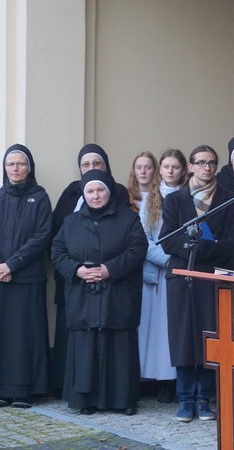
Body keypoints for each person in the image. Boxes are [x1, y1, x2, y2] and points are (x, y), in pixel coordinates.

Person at [51, 169, 147, 416]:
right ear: (84, 194)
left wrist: (108, 270)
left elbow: (137, 250)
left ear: (110, 192)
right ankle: (86, 400)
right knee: (86, 345)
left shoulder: (129, 219)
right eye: (90, 191)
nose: (96, 196)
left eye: (100, 190)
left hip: (118, 294)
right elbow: (57, 251)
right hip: (83, 293)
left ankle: (122, 400)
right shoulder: (71, 222)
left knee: (118, 345)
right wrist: (77, 270)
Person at [159, 145, 234, 423]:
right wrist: (193, 245)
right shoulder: (175, 200)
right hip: (181, 275)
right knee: (182, 339)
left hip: (210, 275)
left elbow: (232, 244)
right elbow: (167, 240)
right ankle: (184, 399)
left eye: (212, 163)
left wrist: (205, 247)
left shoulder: (228, 199)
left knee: (208, 337)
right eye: (201, 163)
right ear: (190, 166)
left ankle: (204, 398)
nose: (207, 168)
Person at [50, 144, 130, 396]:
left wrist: (106, 269)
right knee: (76, 336)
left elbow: (126, 240)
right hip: (76, 279)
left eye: (97, 164)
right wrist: (76, 269)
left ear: (106, 166)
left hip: (112, 282)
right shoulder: (70, 194)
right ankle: (71, 388)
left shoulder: (117, 193)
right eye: (86, 165)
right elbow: (57, 238)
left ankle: (111, 393)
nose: (91, 169)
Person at [0, 144, 53, 408]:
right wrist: (2, 267)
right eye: (11, 164)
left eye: (21, 164)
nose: (15, 168)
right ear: (5, 168)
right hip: (1, 277)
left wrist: (12, 264)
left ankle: (24, 391)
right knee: (4, 335)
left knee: (25, 336)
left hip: (28, 277)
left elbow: (42, 236)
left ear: (29, 167)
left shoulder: (40, 197)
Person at [129, 151, 180, 403]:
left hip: (178, 274)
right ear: (160, 170)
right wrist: (168, 259)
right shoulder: (152, 199)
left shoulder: (186, 196)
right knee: (150, 330)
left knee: (170, 331)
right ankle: (148, 380)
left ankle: (169, 382)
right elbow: (143, 238)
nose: (170, 171)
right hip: (156, 273)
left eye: (175, 167)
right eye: (166, 167)